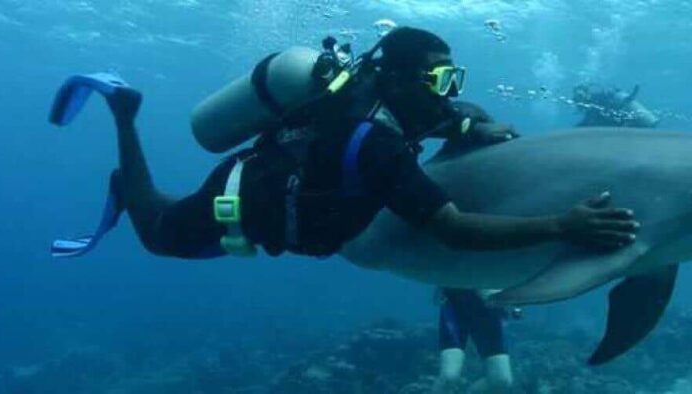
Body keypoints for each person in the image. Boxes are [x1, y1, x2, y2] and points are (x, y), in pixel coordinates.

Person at [61, 27, 639, 260]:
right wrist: (564, 225)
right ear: (397, 81)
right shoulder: (375, 143)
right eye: (439, 80)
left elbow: (435, 122)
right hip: (237, 203)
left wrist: (468, 126)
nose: (449, 93)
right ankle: (123, 115)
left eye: (454, 81)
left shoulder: (392, 116)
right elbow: (456, 230)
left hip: (277, 209)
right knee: (158, 233)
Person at [432, 288, 520, 394]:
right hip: (455, 302)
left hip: (492, 308)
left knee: (501, 380)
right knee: (449, 376)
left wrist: (516, 302)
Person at [572, 83, 660, 128]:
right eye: (576, 99)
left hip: (628, 127)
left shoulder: (597, 103)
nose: (578, 102)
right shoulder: (595, 105)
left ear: (588, 94)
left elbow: (591, 122)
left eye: (580, 97)